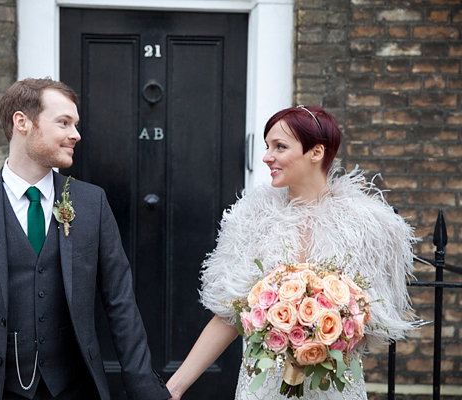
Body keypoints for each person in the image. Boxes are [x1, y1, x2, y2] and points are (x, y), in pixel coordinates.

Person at [0, 78, 171, 400]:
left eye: (76, 124)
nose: (76, 134)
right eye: (64, 123)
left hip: (71, 388)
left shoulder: (90, 202)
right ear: (22, 123)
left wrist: (145, 388)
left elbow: (120, 301)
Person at [166, 106, 417, 399]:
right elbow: (228, 315)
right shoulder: (251, 218)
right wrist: (176, 387)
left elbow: (374, 319)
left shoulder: (368, 226)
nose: (266, 156)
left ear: (316, 152)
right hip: (264, 384)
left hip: (333, 385)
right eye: (267, 146)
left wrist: (328, 326)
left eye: (280, 147)